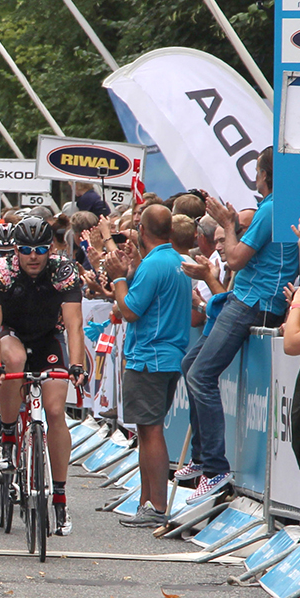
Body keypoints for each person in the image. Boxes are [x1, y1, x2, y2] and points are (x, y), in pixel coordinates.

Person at [190, 148, 299, 503]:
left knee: (200, 375)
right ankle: (201, 457)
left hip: (253, 302)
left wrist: (226, 223)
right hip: (250, 299)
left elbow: (235, 259)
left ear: (265, 174)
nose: (254, 178)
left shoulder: (271, 208)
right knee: (191, 365)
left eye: (256, 171)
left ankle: (215, 468)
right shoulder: (277, 205)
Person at [0, 215, 86, 535]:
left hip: (47, 338)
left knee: (54, 411)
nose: (33, 256)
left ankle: (60, 498)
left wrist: (77, 365)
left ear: (50, 248)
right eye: (26, 250)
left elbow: (74, 324)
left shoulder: (64, 270)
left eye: (40, 249)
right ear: (16, 250)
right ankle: (8, 436)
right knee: (13, 359)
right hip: (11, 335)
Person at [104, 205, 192, 528]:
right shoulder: (174, 260)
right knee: (146, 430)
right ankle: (146, 503)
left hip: (150, 358)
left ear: (142, 229)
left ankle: (156, 505)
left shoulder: (155, 264)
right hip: (166, 356)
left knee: (151, 431)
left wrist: (117, 276)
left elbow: (129, 311)